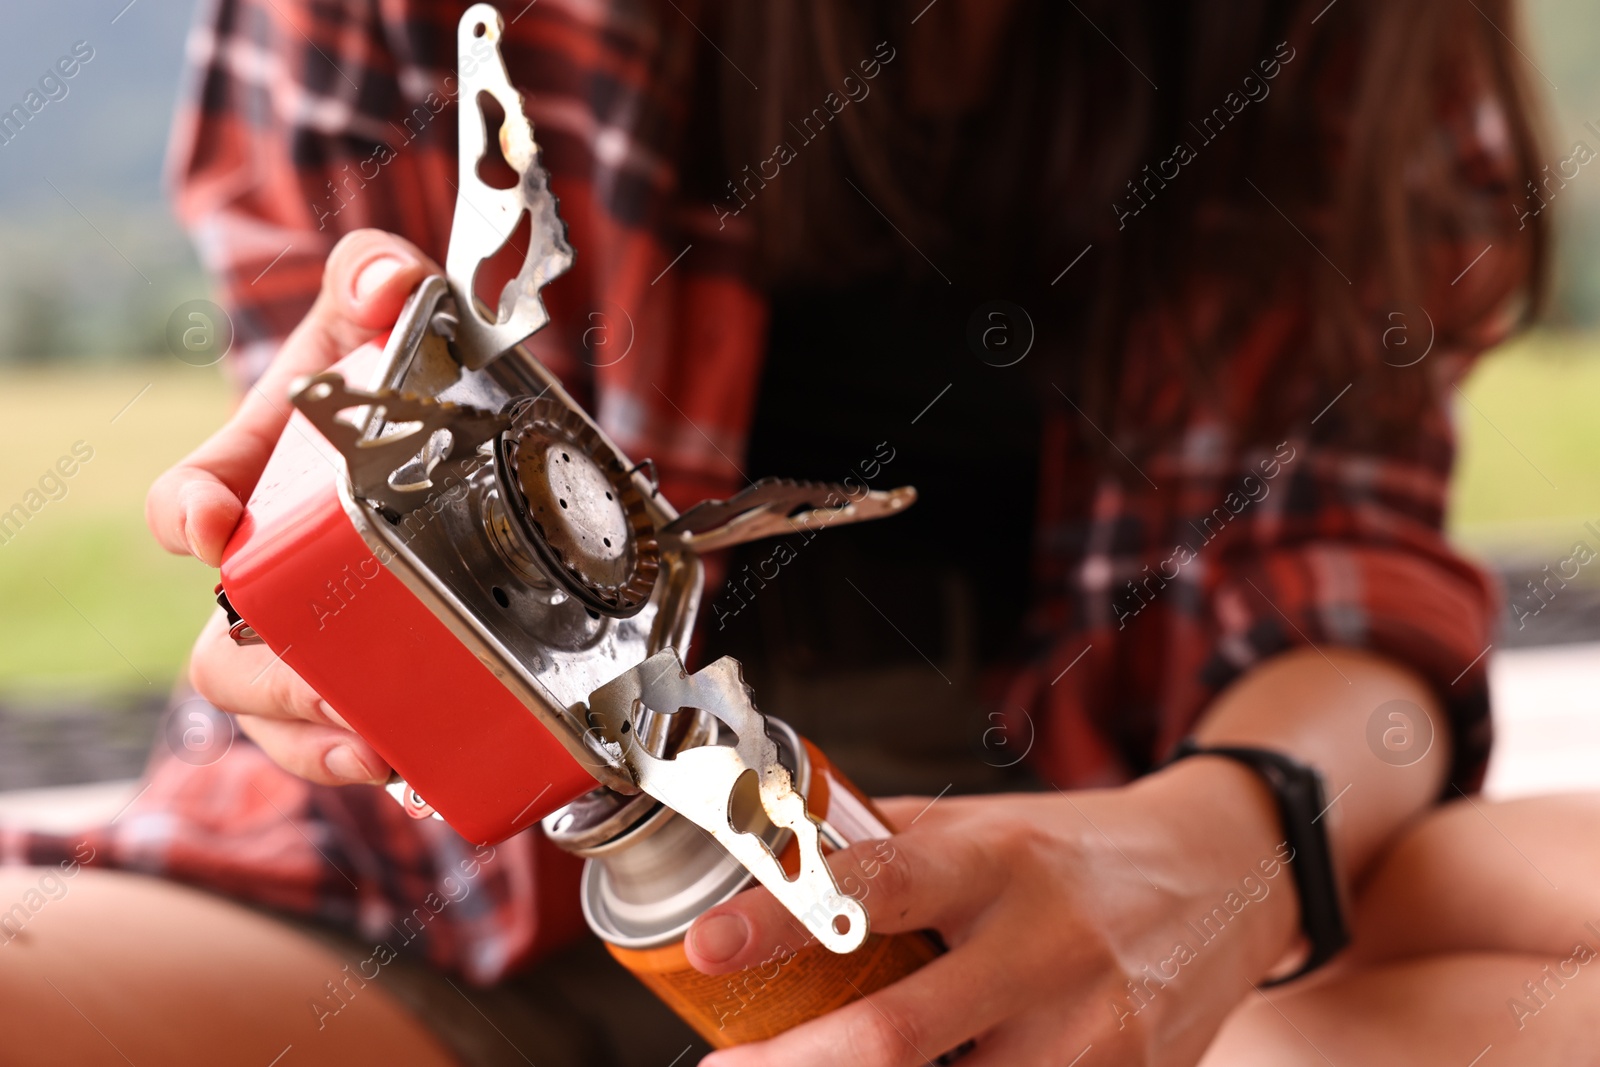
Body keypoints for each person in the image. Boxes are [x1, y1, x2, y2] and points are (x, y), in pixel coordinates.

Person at [4, 1, 1598, 1064]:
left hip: (1087, 861)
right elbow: (332, 367)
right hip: (434, 897)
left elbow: (1352, 604)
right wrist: (317, 586)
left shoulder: (1353, 35)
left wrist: (1221, 866)